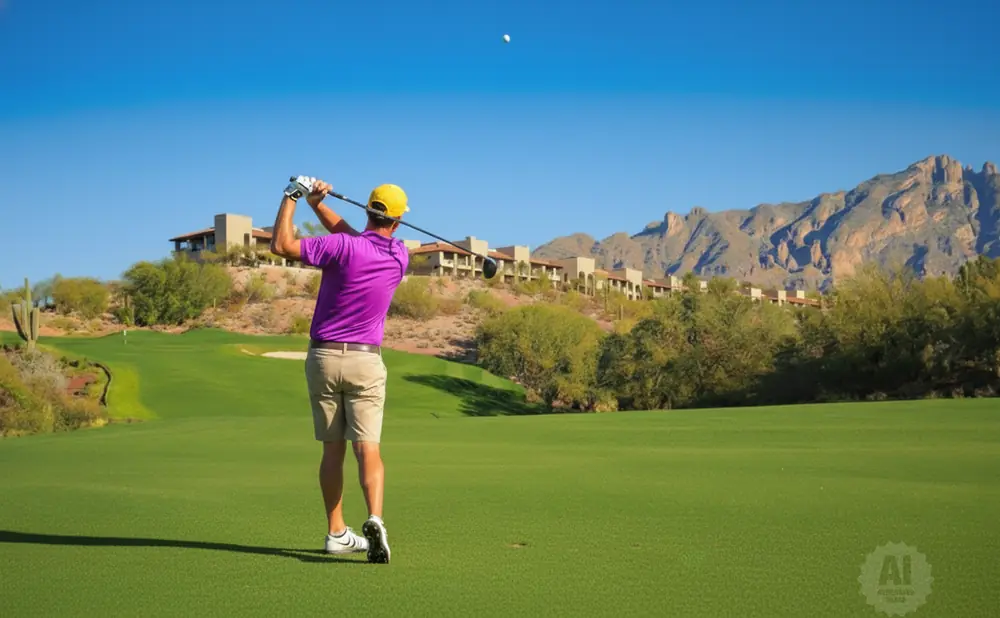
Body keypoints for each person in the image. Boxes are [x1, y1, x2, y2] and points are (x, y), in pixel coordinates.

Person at [270, 175, 410, 564]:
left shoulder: (342, 248)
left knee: (333, 450)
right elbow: (358, 239)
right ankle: (376, 519)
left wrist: (294, 197)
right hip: (367, 361)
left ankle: (336, 532)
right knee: (368, 448)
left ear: (367, 210)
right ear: (397, 223)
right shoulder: (400, 256)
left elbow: (282, 245)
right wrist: (319, 205)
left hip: (324, 359)